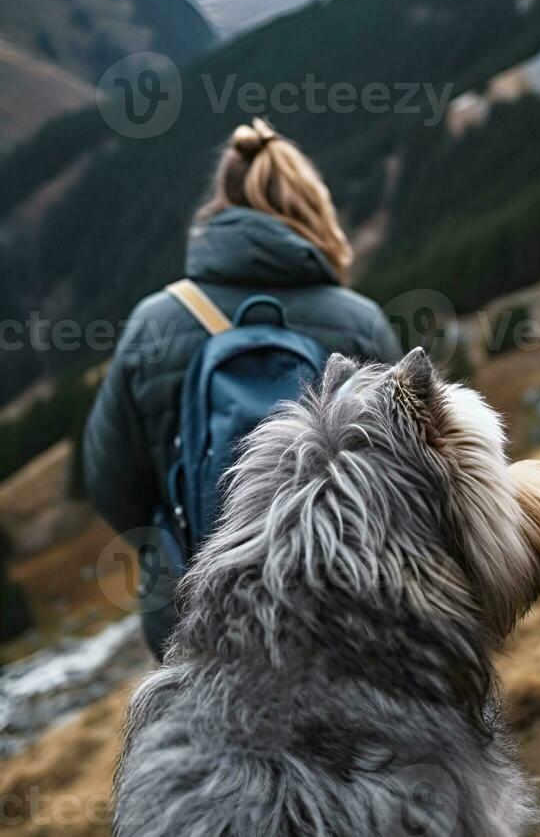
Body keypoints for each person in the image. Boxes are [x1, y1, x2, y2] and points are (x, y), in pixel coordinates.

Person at [83, 118, 401, 659]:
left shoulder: (155, 321)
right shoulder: (360, 322)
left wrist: (185, 538)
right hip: (344, 608)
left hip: (196, 617)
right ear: (311, 208)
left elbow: (111, 482)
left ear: (220, 205)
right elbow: (409, 468)